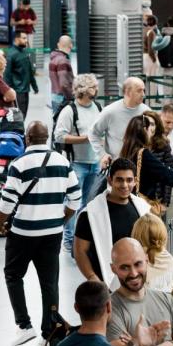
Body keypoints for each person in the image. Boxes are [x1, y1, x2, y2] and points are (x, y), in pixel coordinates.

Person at [0, 122, 80, 346]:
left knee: (13, 275)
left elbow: (7, 201)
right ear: (47, 137)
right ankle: (48, 333)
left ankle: (24, 326)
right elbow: (76, 198)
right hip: (52, 233)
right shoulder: (63, 162)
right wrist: (62, 220)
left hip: (22, 233)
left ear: (27, 138)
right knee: (49, 282)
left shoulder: (19, 164)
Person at [74, 159, 152, 289]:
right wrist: (92, 277)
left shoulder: (143, 209)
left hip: (139, 283)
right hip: (105, 284)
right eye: (119, 180)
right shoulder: (90, 214)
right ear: (110, 180)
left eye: (129, 180)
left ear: (135, 181)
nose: (125, 185)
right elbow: (80, 251)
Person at [56, 73, 103, 254]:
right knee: (73, 202)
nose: (96, 90)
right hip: (77, 163)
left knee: (88, 203)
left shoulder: (98, 107)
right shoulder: (70, 111)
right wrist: (84, 139)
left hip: (96, 162)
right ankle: (69, 241)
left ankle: (82, 240)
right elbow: (59, 136)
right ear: (82, 90)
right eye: (92, 87)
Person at [119, 115, 173, 214]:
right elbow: (166, 174)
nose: (151, 131)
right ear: (144, 130)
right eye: (149, 128)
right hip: (143, 207)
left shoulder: (126, 151)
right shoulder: (143, 154)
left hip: (128, 204)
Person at [90, 77, 151, 167]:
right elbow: (93, 134)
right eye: (139, 91)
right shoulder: (110, 111)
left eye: (144, 90)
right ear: (127, 92)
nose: (143, 95)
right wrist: (102, 155)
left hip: (141, 166)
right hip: (117, 166)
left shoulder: (147, 112)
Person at [131, 214, 173, 292]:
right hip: (164, 304)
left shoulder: (133, 262)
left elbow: (115, 290)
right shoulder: (171, 260)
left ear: (136, 235)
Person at [4, 31, 38, 119]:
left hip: (25, 90)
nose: (26, 40)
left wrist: (34, 86)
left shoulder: (25, 52)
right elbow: (7, 75)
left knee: (23, 114)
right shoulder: (11, 54)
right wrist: (9, 91)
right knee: (19, 116)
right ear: (16, 39)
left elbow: (29, 71)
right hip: (17, 91)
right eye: (24, 38)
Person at [151, 17, 173, 95]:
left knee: (167, 93)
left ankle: (166, 107)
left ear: (168, 24)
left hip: (165, 68)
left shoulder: (161, 36)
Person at [49, 35, 75, 117]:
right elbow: (63, 84)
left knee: (56, 122)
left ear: (58, 44)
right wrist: (71, 97)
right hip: (63, 98)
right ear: (71, 45)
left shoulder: (53, 59)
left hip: (55, 96)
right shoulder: (63, 61)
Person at [143, 14, 159, 79]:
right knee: (152, 82)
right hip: (150, 58)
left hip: (144, 57)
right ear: (155, 23)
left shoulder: (144, 31)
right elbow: (151, 49)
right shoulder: (151, 33)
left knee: (147, 80)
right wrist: (154, 60)